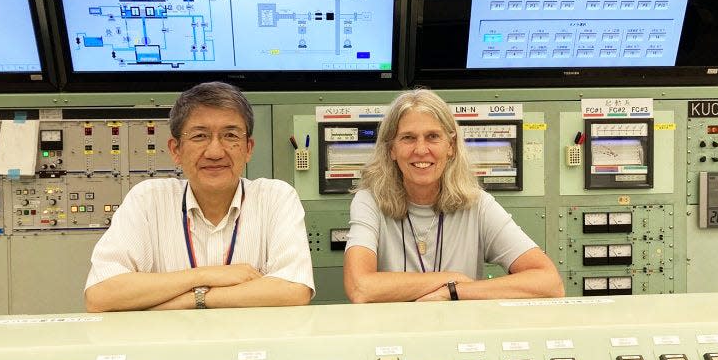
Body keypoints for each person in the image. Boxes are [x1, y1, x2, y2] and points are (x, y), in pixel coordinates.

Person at [85, 82, 314, 312]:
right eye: (199, 136)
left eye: (230, 135)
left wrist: (194, 299)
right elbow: (101, 295)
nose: (215, 152)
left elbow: (294, 290)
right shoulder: (148, 200)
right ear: (176, 150)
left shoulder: (275, 198)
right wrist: (205, 275)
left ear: (248, 149)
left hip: (251, 345)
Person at [344, 88, 564, 303]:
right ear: (391, 149)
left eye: (432, 137)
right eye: (408, 138)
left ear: (451, 146)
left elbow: (550, 283)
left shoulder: (478, 205)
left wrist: (454, 292)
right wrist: (448, 278)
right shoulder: (369, 201)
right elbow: (360, 287)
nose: (421, 149)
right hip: (393, 336)